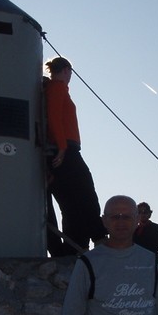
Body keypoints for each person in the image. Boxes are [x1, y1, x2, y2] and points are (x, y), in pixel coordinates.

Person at [44, 56, 107, 255]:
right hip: (66, 151)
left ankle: (76, 247)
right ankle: (98, 237)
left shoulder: (55, 89)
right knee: (86, 192)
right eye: (70, 72)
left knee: (71, 203)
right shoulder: (56, 88)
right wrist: (62, 147)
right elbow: (53, 117)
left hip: (63, 149)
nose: (71, 76)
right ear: (66, 70)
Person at [133, 202, 158, 268]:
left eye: (145, 212)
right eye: (140, 212)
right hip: (136, 264)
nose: (142, 214)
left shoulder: (156, 228)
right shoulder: (133, 230)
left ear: (149, 214)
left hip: (152, 263)